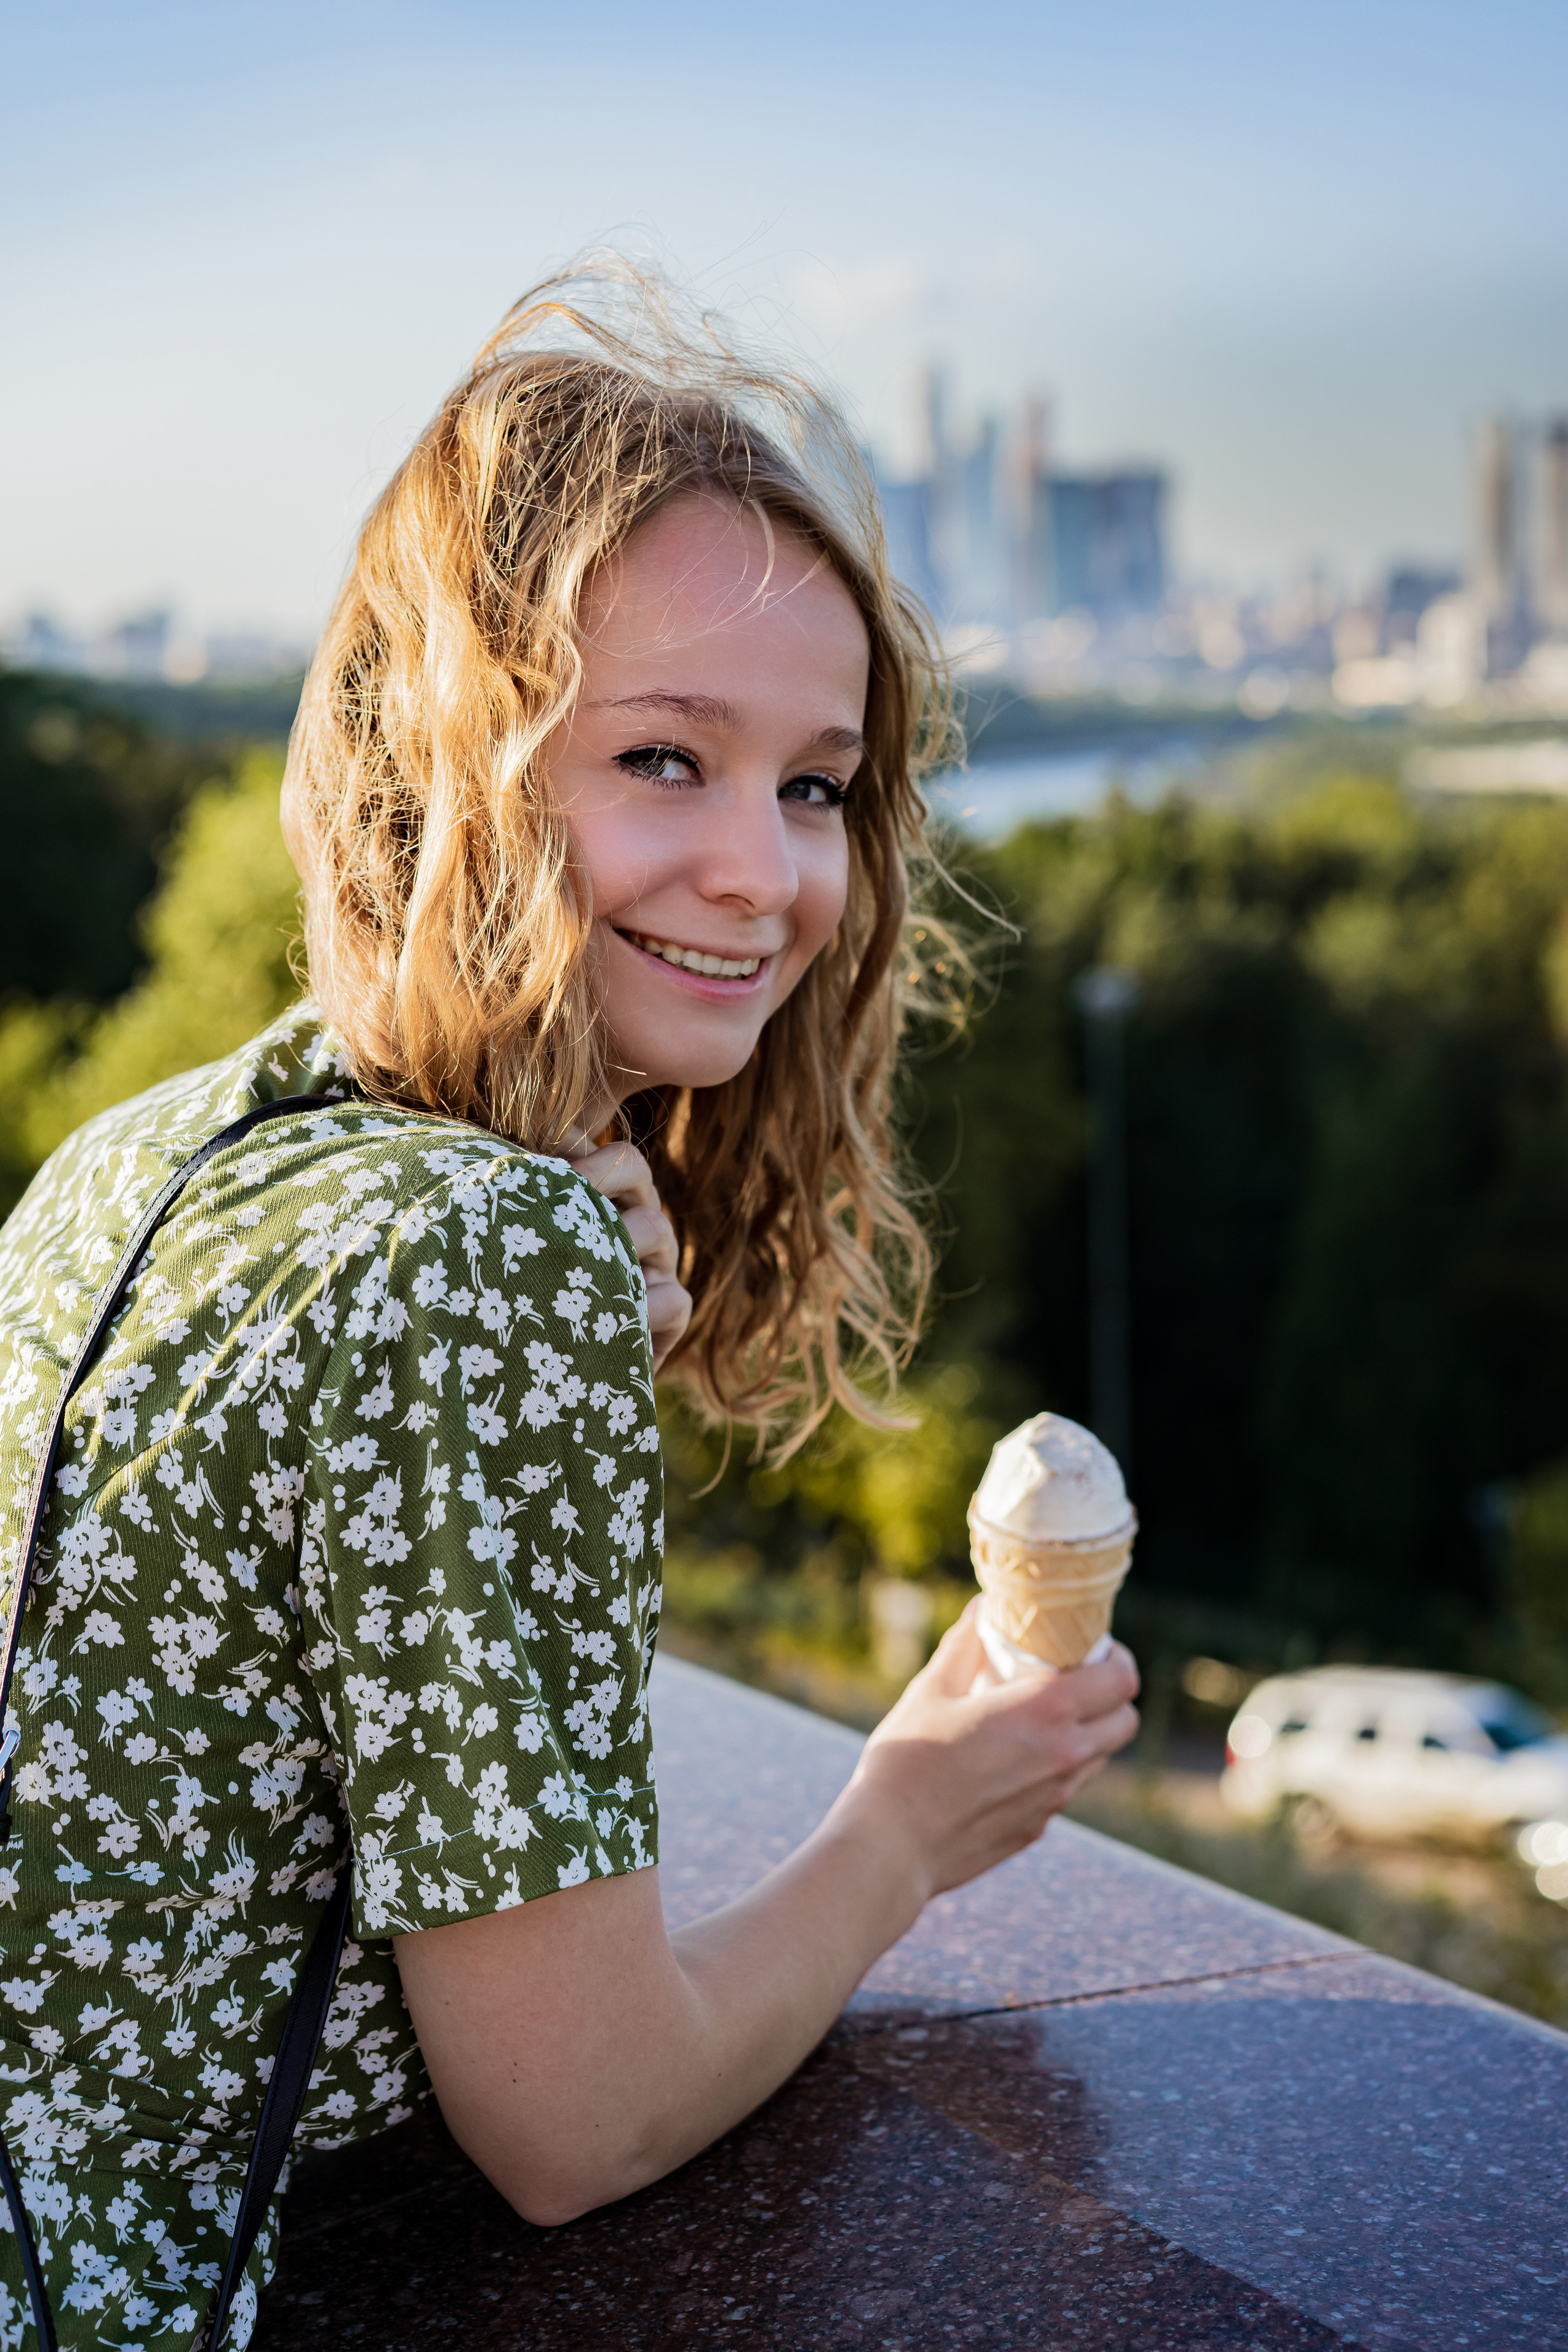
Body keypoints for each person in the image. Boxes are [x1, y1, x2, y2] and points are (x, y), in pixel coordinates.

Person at [0, 266, 1139, 2348]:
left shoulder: (154, 1154)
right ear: (437, 769)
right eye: (659, 759)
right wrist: (907, 1826)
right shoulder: (482, 1257)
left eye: (814, 786)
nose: (767, 875)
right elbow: (576, 2124)